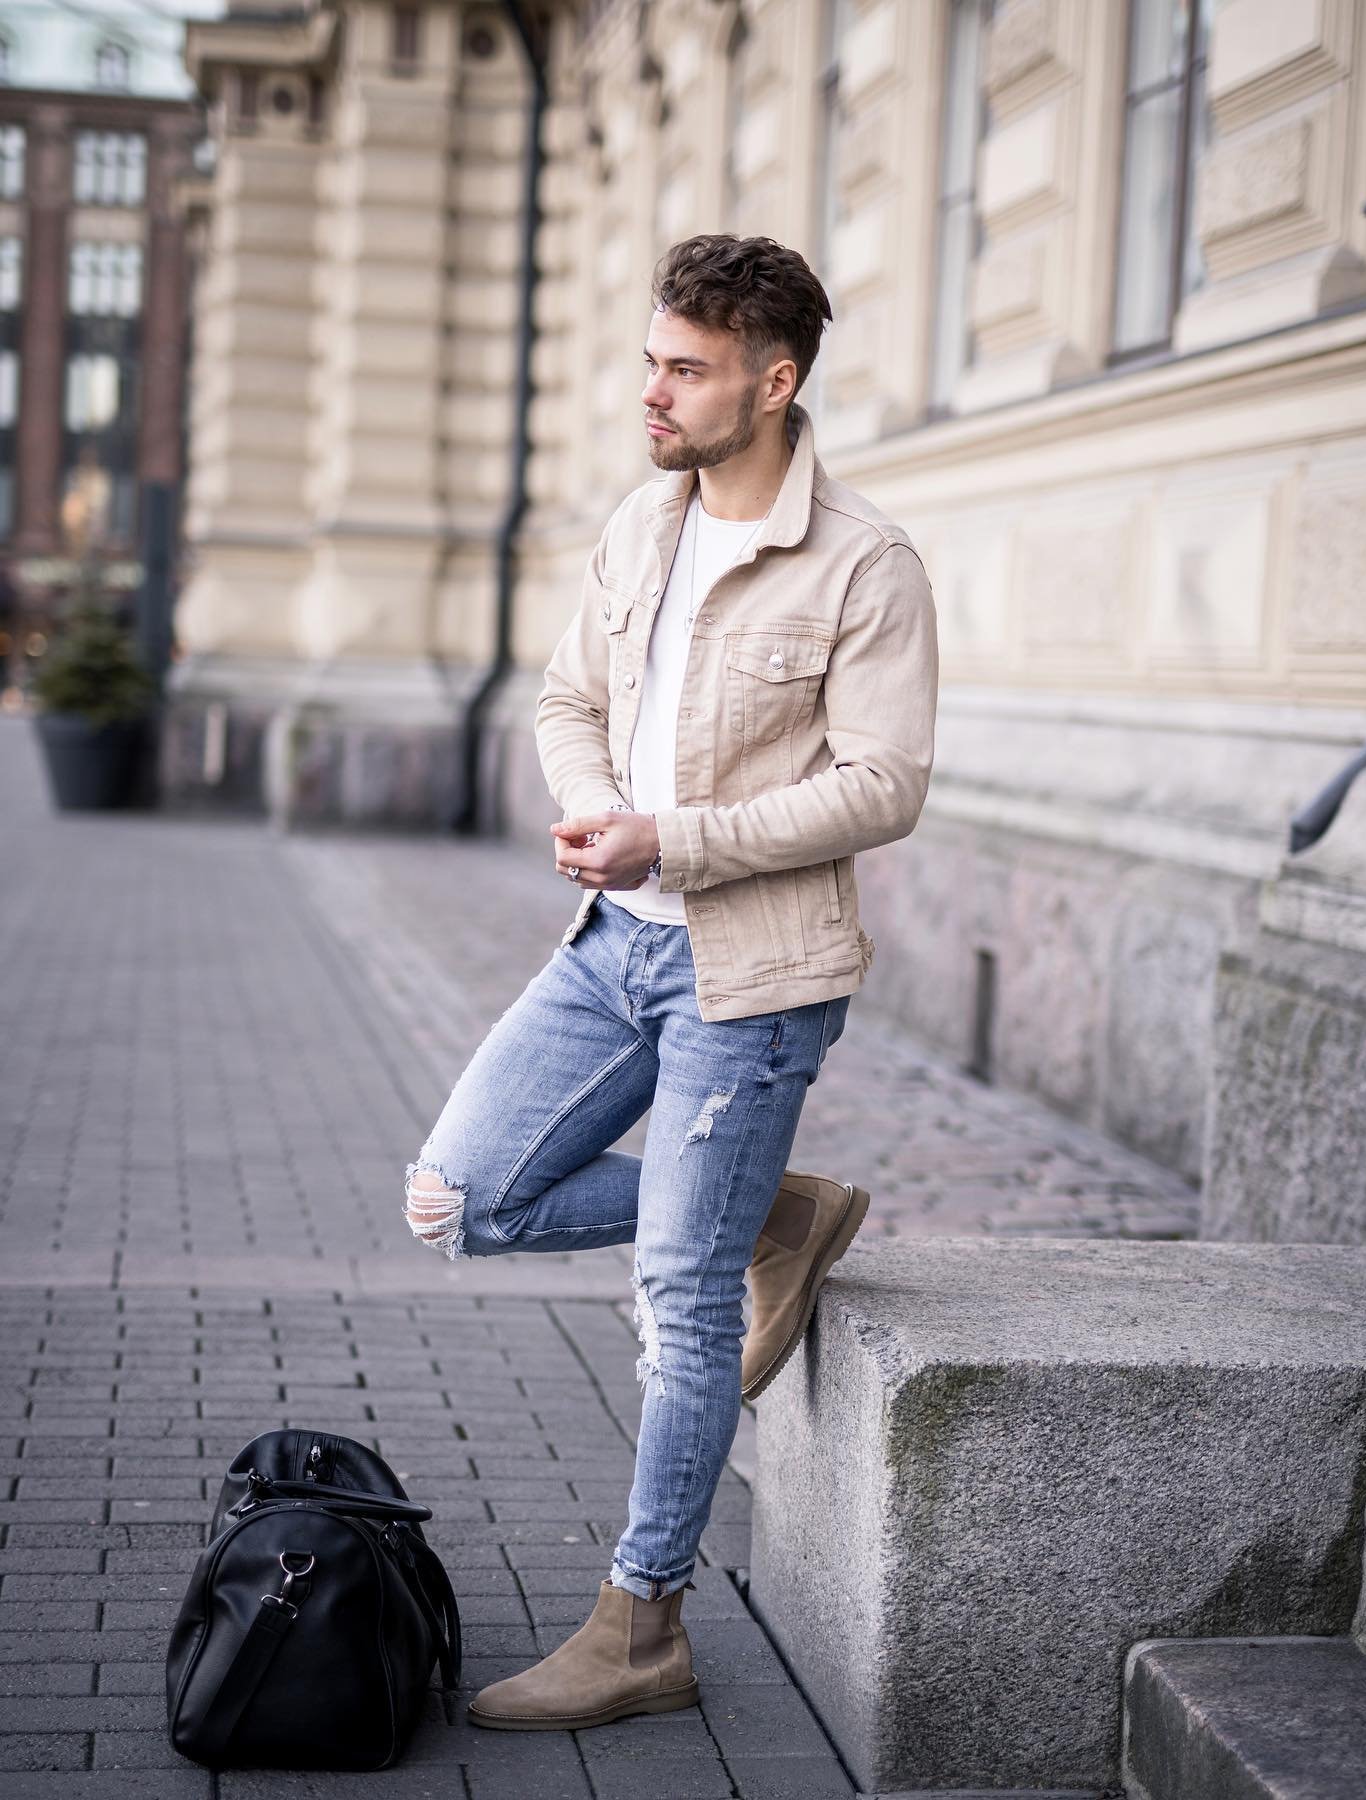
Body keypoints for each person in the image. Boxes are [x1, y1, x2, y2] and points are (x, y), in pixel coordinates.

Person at [403, 233, 939, 1733]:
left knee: (683, 1300)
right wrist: (592, 810)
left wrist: (677, 839)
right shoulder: (643, 527)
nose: (654, 390)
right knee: (460, 1199)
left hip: (750, 975)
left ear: (773, 383)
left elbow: (885, 783)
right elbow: (572, 694)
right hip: (611, 946)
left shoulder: (865, 563)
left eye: (686, 369)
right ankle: (777, 1206)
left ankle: (644, 1621)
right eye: (651, 359)